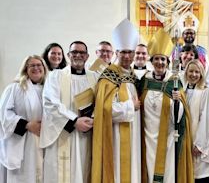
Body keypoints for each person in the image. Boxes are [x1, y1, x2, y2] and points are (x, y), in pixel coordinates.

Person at [137, 29, 194, 183]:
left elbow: (180, 117)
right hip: (146, 135)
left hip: (167, 136)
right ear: (151, 61)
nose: (160, 63)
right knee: (147, 170)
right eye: (156, 59)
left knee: (167, 172)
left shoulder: (174, 82)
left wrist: (177, 102)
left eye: (163, 59)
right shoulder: (143, 81)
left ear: (167, 62)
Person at [39, 41, 98, 183]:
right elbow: (50, 102)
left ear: (87, 56)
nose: (78, 55)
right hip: (63, 133)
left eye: (82, 53)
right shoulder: (55, 76)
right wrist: (74, 121)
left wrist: (93, 118)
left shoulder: (95, 77)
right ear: (68, 55)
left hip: (87, 134)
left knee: (85, 171)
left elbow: (101, 102)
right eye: (74, 52)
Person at [92, 19, 141, 183]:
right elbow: (105, 109)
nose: (127, 56)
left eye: (130, 52)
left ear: (134, 54)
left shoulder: (134, 77)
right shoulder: (107, 77)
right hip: (115, 135)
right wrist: (130, 106)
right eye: (123, 52)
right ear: (116, 53)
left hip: (134, 135)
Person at [0, 55, 48, 182]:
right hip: (23, 141)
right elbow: (4, 114)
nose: (36, 68)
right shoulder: (15, 88)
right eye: (32, 65)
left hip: (44, 141)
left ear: (44, 68)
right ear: (25, 69)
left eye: (39, 65)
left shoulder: (48, 89)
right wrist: (27, 125)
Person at [182, 60, 209, 183]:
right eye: (191, 71)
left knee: (199, 176)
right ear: (186, 72)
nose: (194, 74)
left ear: (202, 74)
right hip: (185, 140)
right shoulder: (182, 90)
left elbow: (206, 119)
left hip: (199, 143)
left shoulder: (206, 91)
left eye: (197, 72)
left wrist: (199, 144)